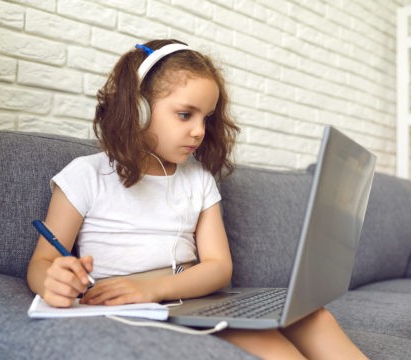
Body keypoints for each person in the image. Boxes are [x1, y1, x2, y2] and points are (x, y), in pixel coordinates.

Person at [26, 39, 366, 359]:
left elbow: (219, 268)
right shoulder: (86, 175)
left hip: (190, 299)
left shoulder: (198, 180)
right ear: (138, 110)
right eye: (186, 114)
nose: (200, 131)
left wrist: (156, 288)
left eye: (206, 118)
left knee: (316, 318)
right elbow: (41, 264)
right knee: (269, 344)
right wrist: (55, 281)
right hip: (134, 308)